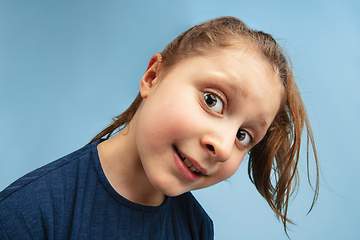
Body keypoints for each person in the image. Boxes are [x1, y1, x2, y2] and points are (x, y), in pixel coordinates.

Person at [0, 16, 319, 239]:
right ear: (152, 77)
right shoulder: (27, 215)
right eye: (212, 100)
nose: (222, 146)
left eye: (243, 136)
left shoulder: (197, 228)